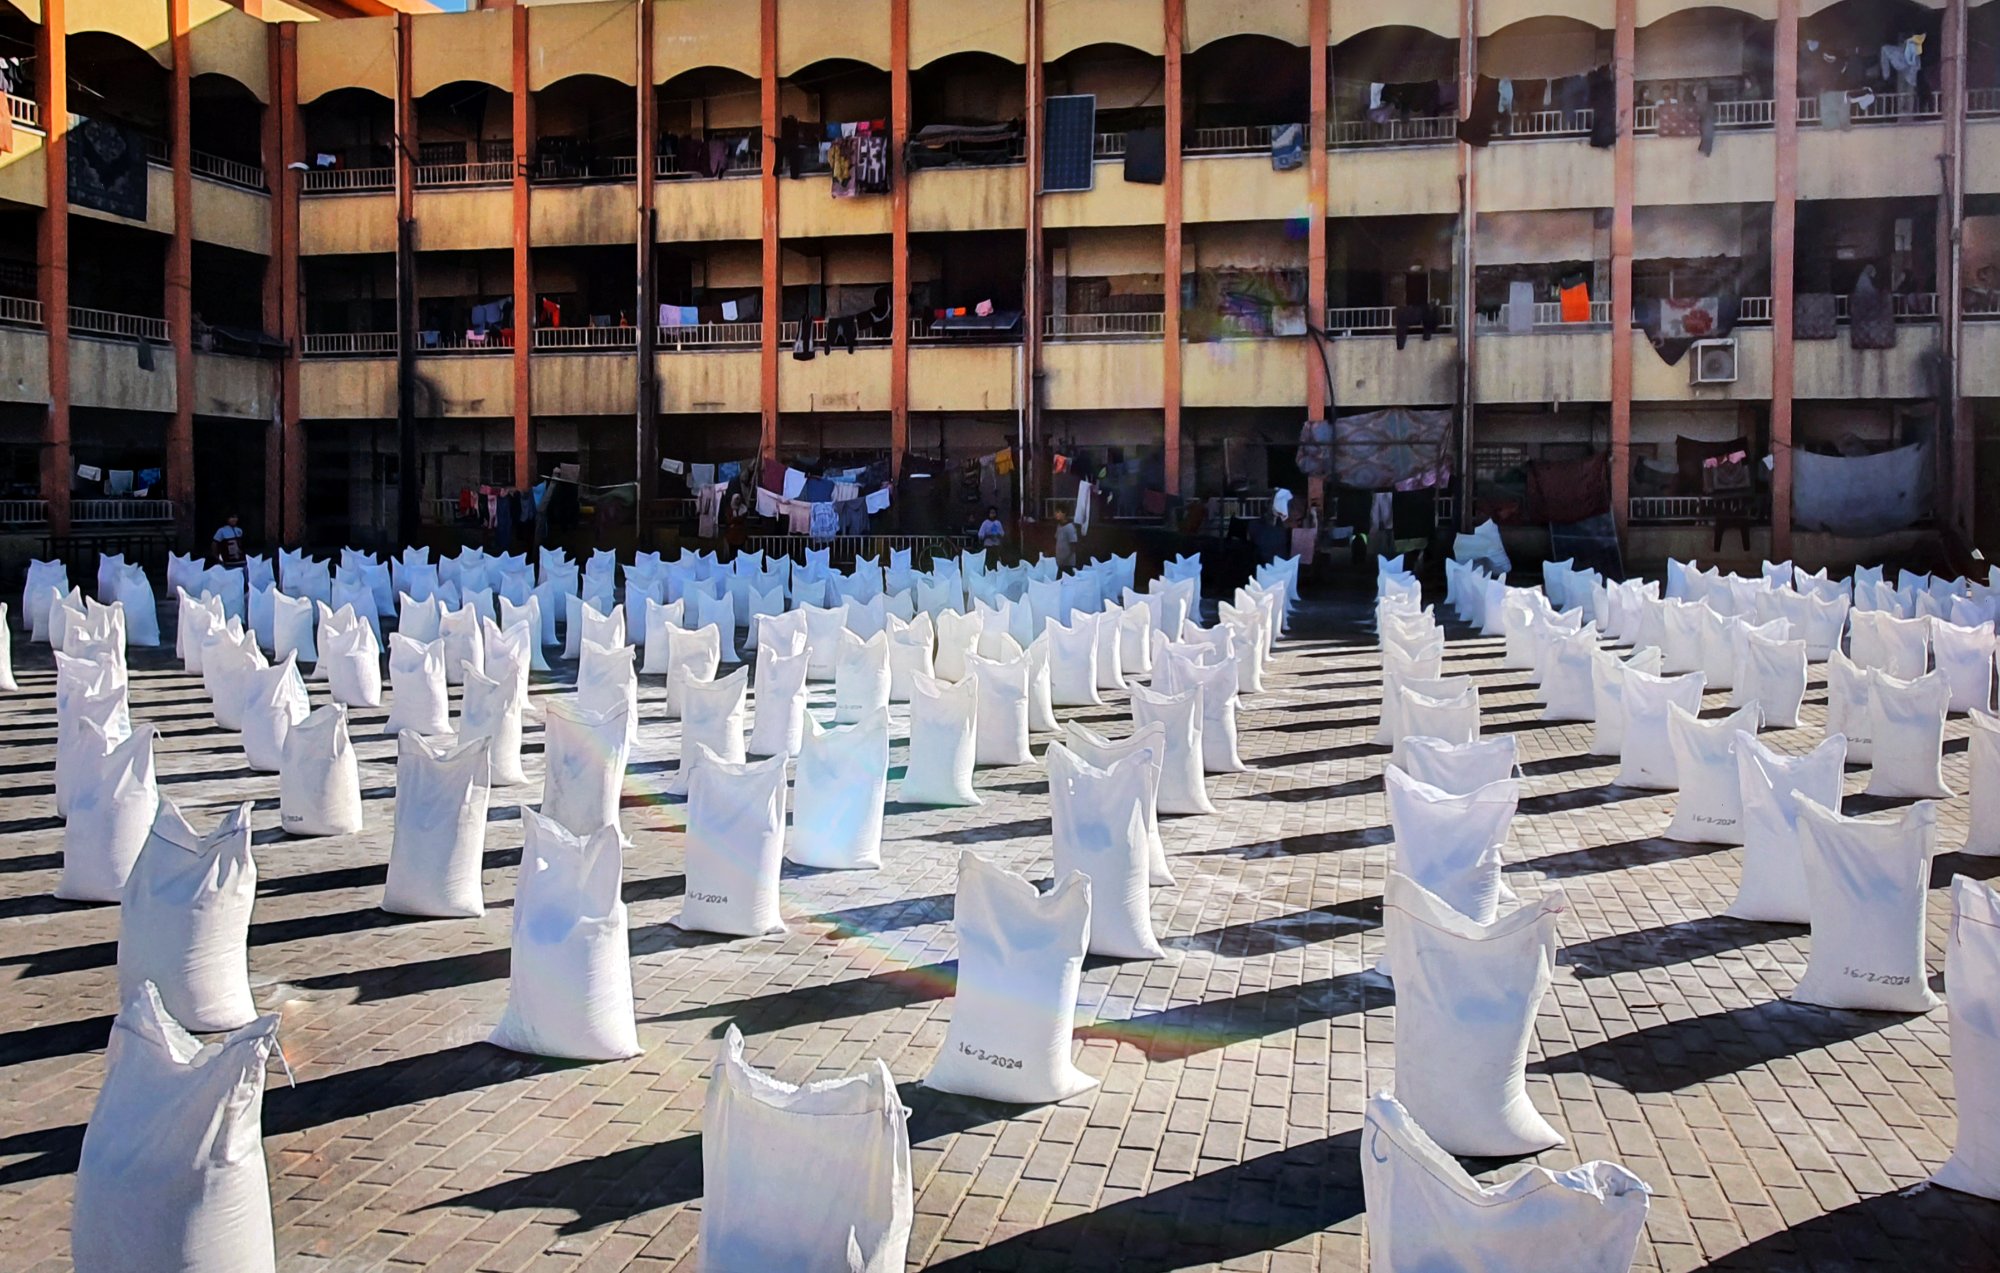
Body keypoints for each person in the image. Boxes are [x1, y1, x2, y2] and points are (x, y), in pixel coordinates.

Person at [1053, 507, 1079, 572]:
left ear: (1064, 513)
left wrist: (1065, 559)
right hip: (1060, 562)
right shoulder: (1059, 526)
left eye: (1058, 512)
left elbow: (1073, 546)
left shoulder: (1070, 527)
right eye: (1055, 512)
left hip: (1068, 564)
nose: (1056, 514)